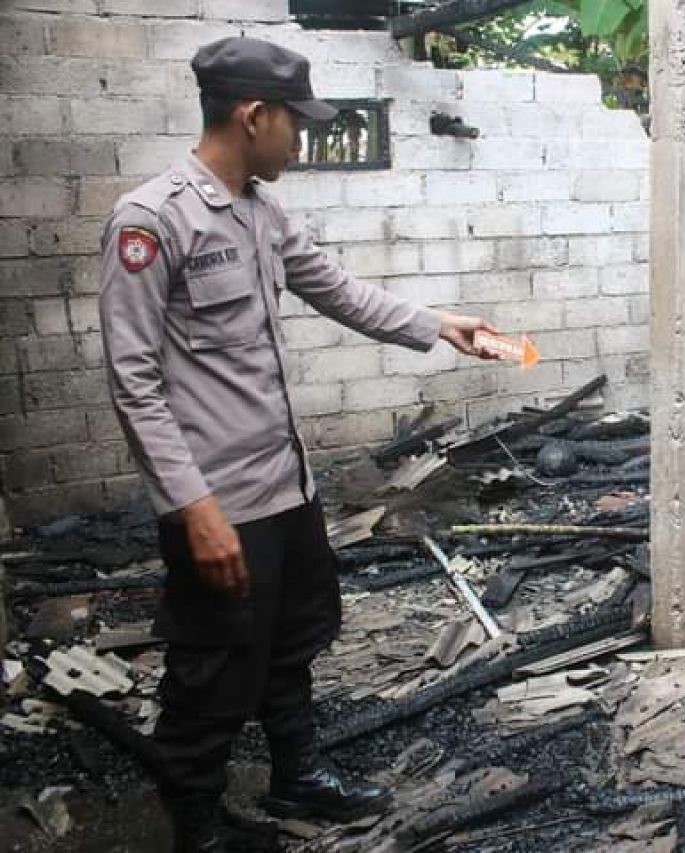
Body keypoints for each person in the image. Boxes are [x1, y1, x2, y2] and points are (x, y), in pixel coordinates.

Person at [98, 36, 495, 852]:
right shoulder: (150, 222)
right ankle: (198, 828)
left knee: (291, 644)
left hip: (286, 487)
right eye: (296, 124)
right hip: (218, 503)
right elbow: (133, 382)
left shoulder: (261, 208)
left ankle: (297, 776)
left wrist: (438, 325)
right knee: (209, 671)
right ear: (253, 116)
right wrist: (192, 506)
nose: (302, 140)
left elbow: (338, 289)